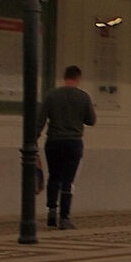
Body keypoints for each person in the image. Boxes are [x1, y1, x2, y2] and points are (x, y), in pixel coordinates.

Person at [41, 64, 97, 229]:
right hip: (73, 142)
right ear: (78, 78)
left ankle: (51, 210)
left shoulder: (51, 96)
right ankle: (64, 218)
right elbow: (91, 120)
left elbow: (41, 118)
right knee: (68, 181)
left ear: (64, 77)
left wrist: (34, 137)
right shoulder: (83, 97)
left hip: (53, 142)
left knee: (54, 176)